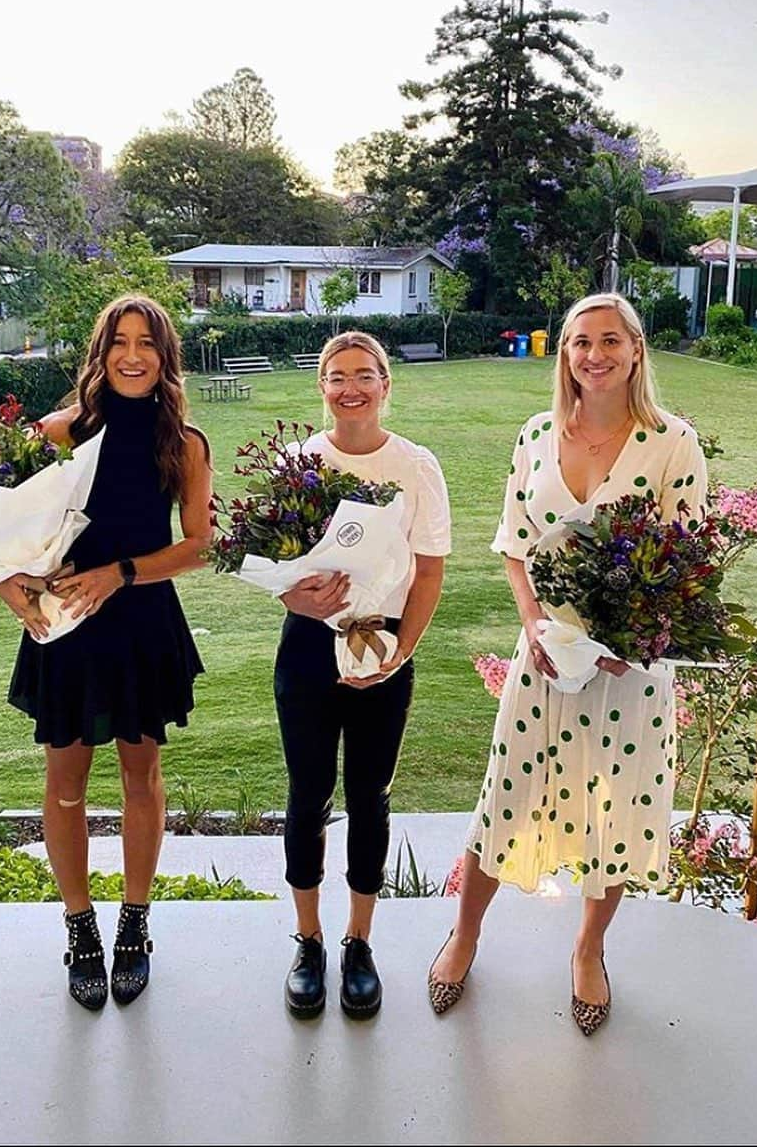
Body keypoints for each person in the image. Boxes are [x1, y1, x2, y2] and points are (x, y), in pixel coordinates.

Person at [427, 293, 707, 1035]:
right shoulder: (536, 435)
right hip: (544, 661)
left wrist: (635, 645)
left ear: (636, 350)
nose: (594, 354)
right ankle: (464, 937)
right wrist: (536, 629)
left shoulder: (673, 442)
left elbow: (689, 564)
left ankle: (588, 951)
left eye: (610, 340)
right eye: (581, 342)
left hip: (633, 675)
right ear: (567, 356)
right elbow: (515, 546)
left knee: (616, 812)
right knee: (504, 803)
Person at [0, 294, 213, 1011]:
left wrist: (119, 573)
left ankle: (134, 925)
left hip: (142, 621)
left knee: (141, 777)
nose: (132, 355)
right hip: (70, 630)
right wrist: (12, 590)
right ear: (100, 351)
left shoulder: (183, 443)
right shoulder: (58, 432)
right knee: (64, 782)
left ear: (164, 355)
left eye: (146, 343)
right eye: (119, 341)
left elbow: (197, 545)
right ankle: (79, 924)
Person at [277, 331, 451, 1020]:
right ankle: (309, 941)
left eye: (364, 375)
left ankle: (359, 943)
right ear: (321, 387)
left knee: (370, 796)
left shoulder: (415, 466)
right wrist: (296, 597)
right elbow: (279, 569)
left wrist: (401, 651)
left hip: (383, 647)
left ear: (386, 385)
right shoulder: (300, 462)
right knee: (307, 795)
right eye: (336, 376)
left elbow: (431, 567)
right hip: (308, 649)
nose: (350, 388)